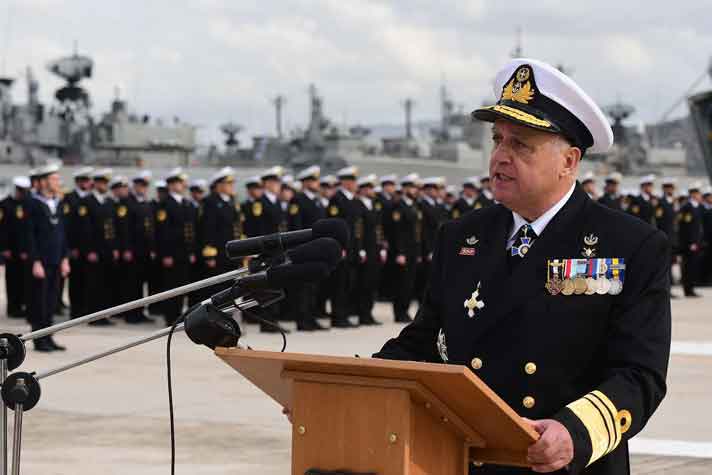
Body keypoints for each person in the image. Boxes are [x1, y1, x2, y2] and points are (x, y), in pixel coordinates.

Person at [374, 58, 671, 475]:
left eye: (521, 145)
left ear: (569, 161)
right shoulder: (461, 238)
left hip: (561, 463)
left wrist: (574, 433)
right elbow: (425, 342)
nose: (500, 156)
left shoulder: (631, 245)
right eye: (498, 140)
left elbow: (639, 375)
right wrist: (353, 385)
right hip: (468, 460)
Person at [27, 164, 70, 351]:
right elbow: (30, 235)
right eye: (54, 179)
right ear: (44, 182)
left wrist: (65, 258)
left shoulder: (57, 203)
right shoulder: (33, 203)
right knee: (40, 301)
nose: (57, 182)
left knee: (52, 301)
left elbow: (62, 233)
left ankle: (49, 336)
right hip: (41, 261)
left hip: (56, 259)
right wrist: (35, 261)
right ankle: (39, 339)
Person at [154, 168, 197, 325]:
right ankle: (170, 316)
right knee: (171, 285)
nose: (182, 185)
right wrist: (166, 254)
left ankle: (179, 314)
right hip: (172, 253)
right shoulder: (165, 204)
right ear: (171, 185)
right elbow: (163, 231)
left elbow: (190, 229)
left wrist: (191, 251)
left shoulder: (186, 203)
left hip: (184, 252)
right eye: (179, 183)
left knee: (183, 284)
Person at [78, 168, 119, 326]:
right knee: (93, 284)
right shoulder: (87, 202)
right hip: (94, 250)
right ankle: (93, 317)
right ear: (95, 183)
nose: (104, 185)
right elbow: (85, 229)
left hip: (107, 249)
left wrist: (114, 248)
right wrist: (89, 250)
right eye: (101, 182)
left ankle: (103, 315)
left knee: (106, 283)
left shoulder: (109, 202)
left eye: (106, 183)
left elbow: (113, 226)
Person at [288, 166, 327, 331]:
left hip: (318, 248)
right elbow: (295, 227)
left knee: (313, 286)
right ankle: (302, 319)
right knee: (303, 287)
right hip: (304, 249)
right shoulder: (298, 200)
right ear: (305, 182)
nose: (317, 183)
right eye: (313, 180)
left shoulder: (316, 201)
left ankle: (311, 317)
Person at [198, 167, 243, 303]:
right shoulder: (210, 202)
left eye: (232, 183)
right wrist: (210, 254)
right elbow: (207, 228)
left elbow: (237, 226)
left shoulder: (232, 201)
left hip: (231, 251)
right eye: (228, 183)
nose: (231, 186)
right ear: (218, 185)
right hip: (218, 252)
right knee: (218, 288)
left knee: (231, 286)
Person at [327, 166, 361, 328]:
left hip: (352, 247)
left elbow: (356, 226)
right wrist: (339, 246)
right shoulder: (337, 199)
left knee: (348, 283)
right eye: (352, 180)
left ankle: (344, 315)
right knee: (339, 284)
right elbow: (333, 225)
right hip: (341, 248)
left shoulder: (353, 200)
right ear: (345, 182)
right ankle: (337, 316)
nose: (355, 184)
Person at [352, 174, 386, 326]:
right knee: (363, 283)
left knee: (372, 283)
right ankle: (362, 314)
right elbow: (358, 228)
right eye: (370, 188)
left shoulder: (373, 204)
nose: (373, 191)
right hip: (365, 249)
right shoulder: (358, 204)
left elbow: (379, 227)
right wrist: (360, 249)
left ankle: (368, 313)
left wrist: (382, 246)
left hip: (375, 249)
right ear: (364, 189)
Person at [123, 171, 155, 323]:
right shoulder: (128, 203)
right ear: (134, 186)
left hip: (145, 250)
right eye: (139, 185)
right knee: (132, 283)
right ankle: (131, 314)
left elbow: (150, 228)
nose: (142, 188)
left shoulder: (146, 203)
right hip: (133, 249)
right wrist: (127, 248)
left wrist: (152, 247)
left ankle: (140, 312)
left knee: (142, 282)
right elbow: (125, 228)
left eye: (144, 186)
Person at [391, 173, 423, 323]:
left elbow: (417, 231)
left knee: (410, 283)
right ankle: (399, 312)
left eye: (416, 188)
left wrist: (418, 251)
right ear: (405, 189)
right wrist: (400, 252)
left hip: (413, 251)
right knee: (401, 283)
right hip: (403, 251)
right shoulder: (399, 206)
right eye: (412, 187)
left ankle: (405, 309)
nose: (415, 190)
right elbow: (397, 232)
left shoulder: (414, 205)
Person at [61, 167, 93, 318]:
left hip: (89, 247)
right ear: (78, 181)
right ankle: (76, 310)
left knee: (89, 280)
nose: (86, 183)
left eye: (87, 180)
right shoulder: (69, 198)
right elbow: (68, 225)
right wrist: (71, 247)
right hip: (75, 248)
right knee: (75, 281)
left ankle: (86, 308)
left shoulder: (91, 198)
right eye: (83, 180)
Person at [1, 176, 33, 319]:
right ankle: (13, 308)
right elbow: (2, 229)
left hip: (25, 249)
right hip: (11, 250)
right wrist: (4, 248)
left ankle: (23, 305)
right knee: (13, 279)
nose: (22, 193)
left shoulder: (28, 204)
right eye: (20, 190)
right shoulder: (5, 204)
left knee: (24, 280)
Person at [678, 182, 704, 297]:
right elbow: (686, 227)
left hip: (696, 242)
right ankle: (688, 289)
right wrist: (690, 242)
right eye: (697, 193)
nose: (699, 195)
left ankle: (691, 288)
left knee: (693, 266)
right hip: (689, 243)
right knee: (688, 266)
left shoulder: (697, 206)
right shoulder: (687, 207)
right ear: (692, 194)